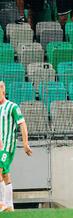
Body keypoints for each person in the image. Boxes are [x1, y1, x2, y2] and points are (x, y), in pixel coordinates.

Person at [0, 81, 31, 212]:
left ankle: (2, 203)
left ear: (2, 90)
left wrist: (25, 143)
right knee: (5, 175)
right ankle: (10, 206)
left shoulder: (12, 106)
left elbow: (22, 124)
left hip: (7, 145)